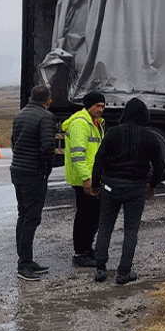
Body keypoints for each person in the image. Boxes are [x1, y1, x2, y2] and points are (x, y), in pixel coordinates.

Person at [91, 97, 164, 284]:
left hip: (110, 186)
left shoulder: (113, 133)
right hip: (136, 188)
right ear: (144, 115)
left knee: (105, 227)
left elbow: (99, 160)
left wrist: (96, 185)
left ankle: (100, 269)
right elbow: (160, 166)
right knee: (131, 231)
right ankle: (123, 272)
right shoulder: (150, 137)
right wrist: (153, 185)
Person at [10, 85, 56, 281]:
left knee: (23, 215)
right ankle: (23, 265)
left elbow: (14, 141)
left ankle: (26, 260)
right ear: (48, 100)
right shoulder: (46, 117)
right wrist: (45, 171)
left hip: (17, 170)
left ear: (30, 97)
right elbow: (47, 148)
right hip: (33, 174)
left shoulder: (20, 114)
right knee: (31, 219)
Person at [63, 91, 106, 267]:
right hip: (84, 180)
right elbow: (78, 155)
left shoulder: (96, 123)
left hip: (94, 178)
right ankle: (80, 253)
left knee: (93, 216)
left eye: (103, 106)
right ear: (88, 106)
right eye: (97, 106)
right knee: (85, 217)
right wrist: (86, 178)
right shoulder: (80, 124)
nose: (101, 109)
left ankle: (87, 249)